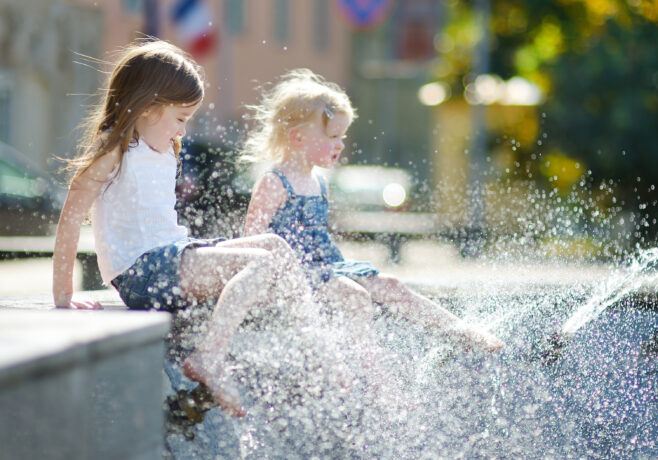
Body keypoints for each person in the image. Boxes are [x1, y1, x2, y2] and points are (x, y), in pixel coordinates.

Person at [52, 41, 334, 418]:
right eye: (181, 117)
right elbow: (71, 217)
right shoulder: (115, 151)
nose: (185, 128)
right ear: (149, 108)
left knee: (276, 247)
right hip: (142, 271)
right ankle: (210, 358)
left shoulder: (168, 149)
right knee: (262, 264)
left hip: (171, 255)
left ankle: (319, 352)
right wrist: (64, 294)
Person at [242, 69, 505, 353]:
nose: (341, 144)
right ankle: (375, 381)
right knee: (354, 296)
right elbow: (250, 242)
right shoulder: (274, 182)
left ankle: (457, 330)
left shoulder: (319, 182)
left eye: (343, 136)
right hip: (295, 275)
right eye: (332, 136)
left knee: (391, 284)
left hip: (327, 267)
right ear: (297, 138)